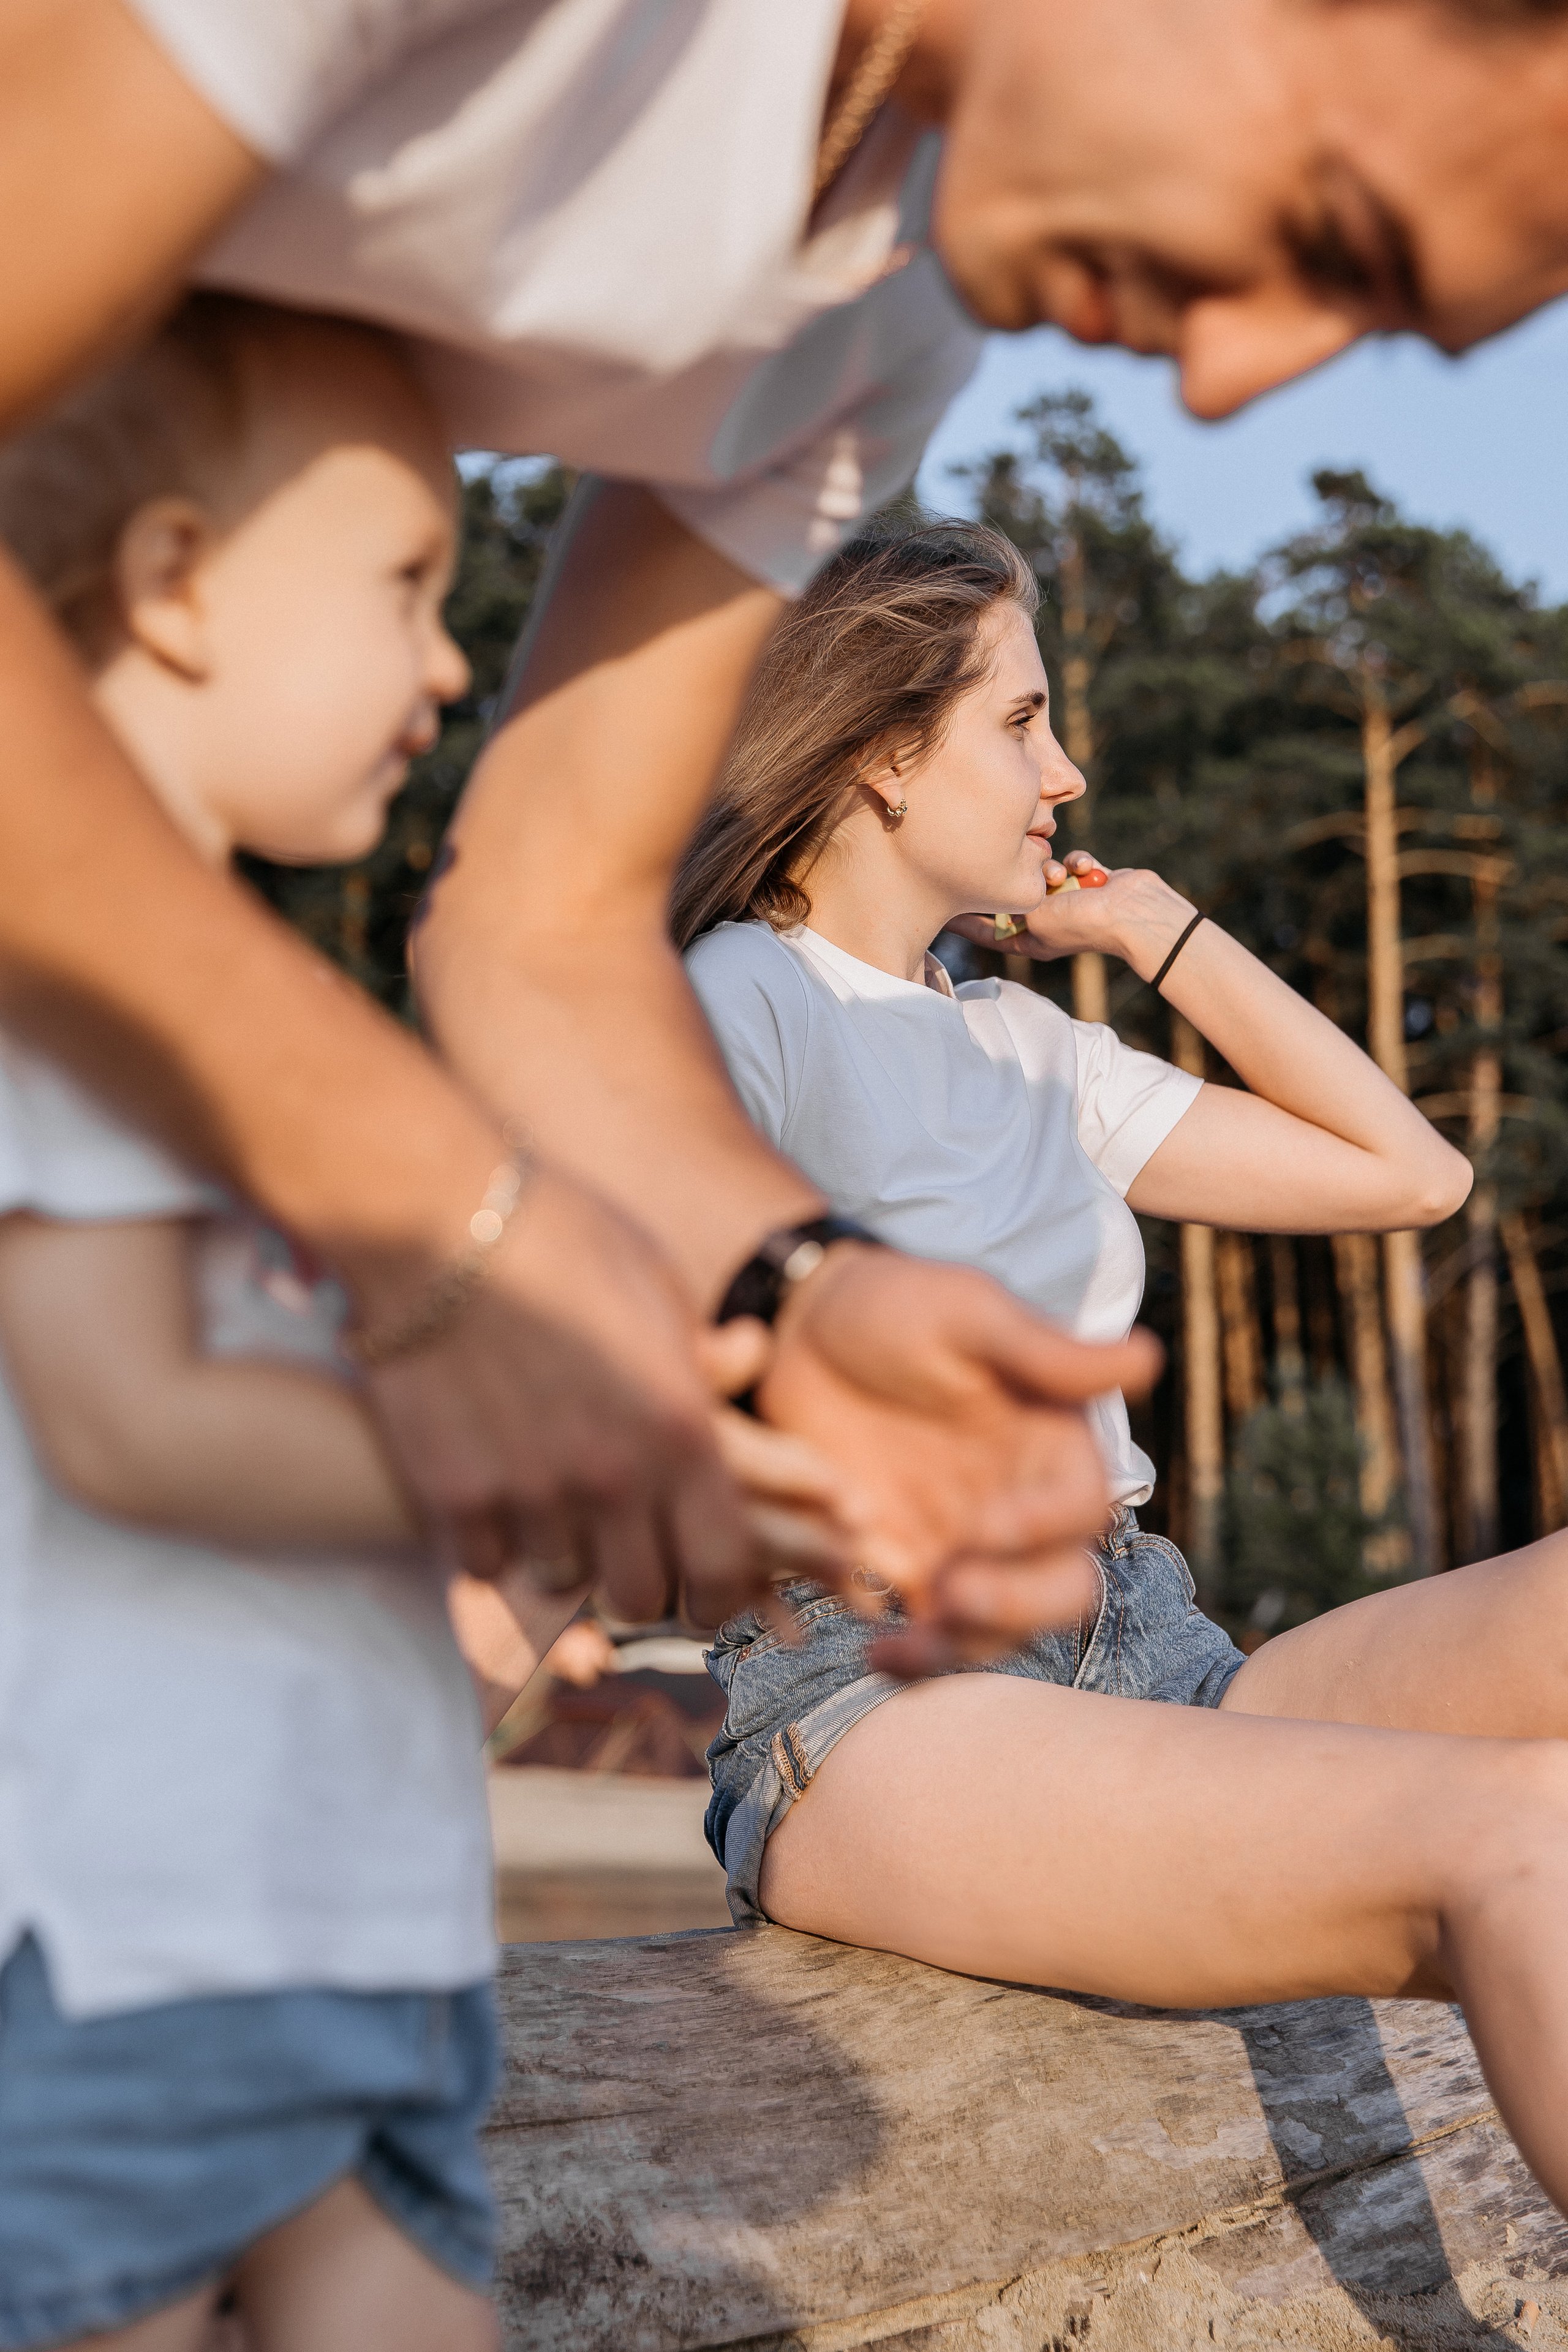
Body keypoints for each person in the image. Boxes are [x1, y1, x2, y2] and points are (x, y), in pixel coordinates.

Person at [4, 0, 1566, 1650]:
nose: (1232, 374)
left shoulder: (886, 324)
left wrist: (798, 1290)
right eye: (1334, 234)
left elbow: (537, 918)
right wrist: (454, 1212)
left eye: (1373, 334)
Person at [0, 290, 854, 2352]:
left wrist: (592, 1507)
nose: (455, 663)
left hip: (359, 1949)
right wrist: (566, 1442)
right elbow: (124, 1416)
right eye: (403, 588)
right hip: (133, 1967)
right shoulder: (85, 1007)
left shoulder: (257, 1045)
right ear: (178, 586)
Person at [672, 518, 1568, 2220]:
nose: (1066, 771)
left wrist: (1166, 936)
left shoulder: (1026, 1045)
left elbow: (1411, 1178)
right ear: (875, 754)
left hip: (1163, 1654)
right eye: (1019, 724)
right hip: (885, 1697)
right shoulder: (749, 997)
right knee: (1532, 1835)